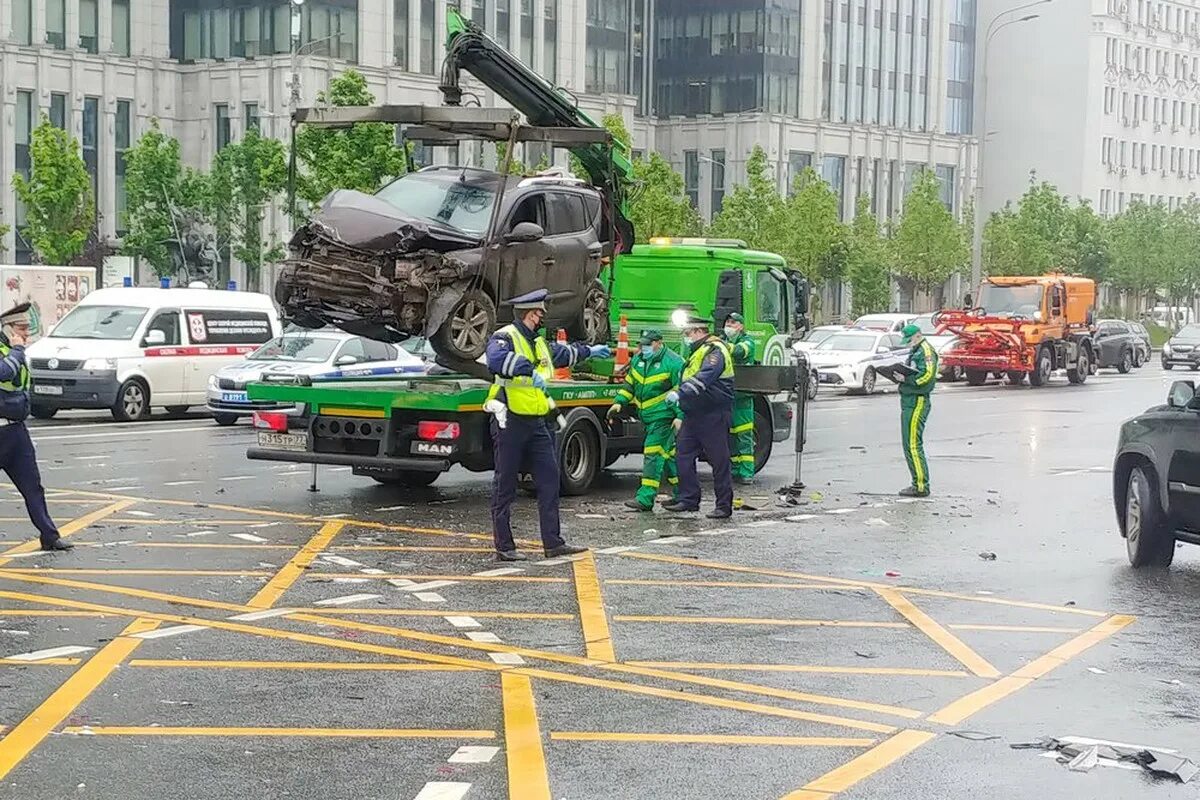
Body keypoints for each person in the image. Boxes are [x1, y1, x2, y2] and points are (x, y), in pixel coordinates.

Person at [484, 289, 612, 561]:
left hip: (537, 423)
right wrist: (527, 370)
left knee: (550, 481)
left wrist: (591, 350)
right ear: (530, 314)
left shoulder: (538, 342)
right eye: (540, 312)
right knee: (505, 485)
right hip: (510, 420)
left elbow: (562, 353)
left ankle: (553, 543)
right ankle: (505, 547)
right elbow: (496, 360)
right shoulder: (505, 336)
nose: (543, 316)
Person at [0, 303, 71, 551]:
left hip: (16, 431)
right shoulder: (10, 351)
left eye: (27, 329)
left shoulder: (14, 350)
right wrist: (17, 350)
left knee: (33, 486)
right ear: (8, 329)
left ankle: (49, 536)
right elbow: (4, 373)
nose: (25, 334)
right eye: (21, 328)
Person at [665, 316, 736, 519]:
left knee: (719, 460)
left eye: (687, 333)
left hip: (712, 414)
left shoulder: (715, 350)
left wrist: (680, 393)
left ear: (698, 331)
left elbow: (704, 378)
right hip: (694, 413)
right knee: (683, 455)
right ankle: (688, 499)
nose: (686, 338)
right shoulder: (697, 351)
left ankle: (723, 505)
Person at [607, 329, 684, 511]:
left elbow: (682, 391)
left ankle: (646, 498)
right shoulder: (639, 360)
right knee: (669, 457)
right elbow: (630, 384)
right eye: (642, 344)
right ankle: (683, 493)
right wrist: (619, 402)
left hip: (663, 417)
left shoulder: (674, 363)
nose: (644, 348)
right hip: (647, 417)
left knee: (652, 455)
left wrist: (680, 416)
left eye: (648, 344)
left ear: (659, 342)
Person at [897, 323, 938, 497]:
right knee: (909, 444)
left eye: (910, 340)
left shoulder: (926, 351)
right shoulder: (917, 350)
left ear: (918, 335)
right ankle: (918, 482)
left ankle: (921, 485)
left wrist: (907, 380)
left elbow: (927, 376)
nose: (909, 343)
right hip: (909, 400)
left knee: (913, 445)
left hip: (917, 401)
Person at [722, 312, 757, 485]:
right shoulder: (725, 341)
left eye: (733, 323)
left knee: (743, 436)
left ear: (741, 326)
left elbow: (739, 352)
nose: (729, 325)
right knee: (731, 437)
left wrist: (721, 345)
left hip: (742, 398)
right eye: (728, 322)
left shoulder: (747, 342)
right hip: (728, 396)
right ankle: (735, 469)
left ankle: (746, 472)